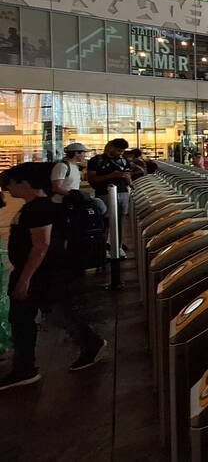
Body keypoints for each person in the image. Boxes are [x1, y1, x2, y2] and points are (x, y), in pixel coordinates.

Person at [0, 162, 106, 391]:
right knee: (52, 313)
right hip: (45, 273)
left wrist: (24, 279)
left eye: (10, 183)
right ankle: (88, 343)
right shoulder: (40, 206)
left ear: (24, 183)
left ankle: (25, 369)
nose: (8, 189)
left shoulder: (37, 209)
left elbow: (41, 245)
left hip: (40, 273)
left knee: (27, 318)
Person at [86, 138, 133, 245]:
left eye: (122, 151)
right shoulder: (96, 160)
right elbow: (92, 179)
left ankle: (118, 245)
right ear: (111, 147)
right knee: (105, 221)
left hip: (123, 192)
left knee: (120, 220)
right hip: (104, 193)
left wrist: (129, 181)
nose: (121, 153)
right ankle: (103, 247)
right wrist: (111, 175)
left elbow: (128, 174)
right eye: (119, 150)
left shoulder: (123, 160)